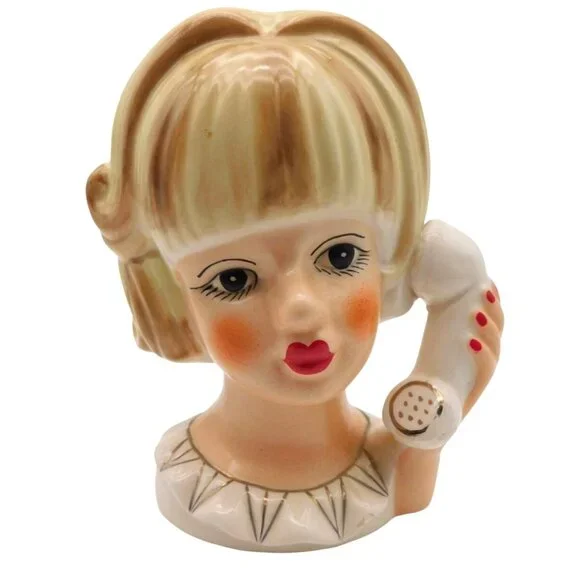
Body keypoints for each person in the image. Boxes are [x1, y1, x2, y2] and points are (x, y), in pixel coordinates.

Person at [86, 7, 503, 551]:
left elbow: (414, 488)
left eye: (339, 257)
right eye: (235, 279)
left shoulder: (393, 470)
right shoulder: (190, 486)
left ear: (394, 262)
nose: (300, 308)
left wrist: (438, 400)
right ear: (173, 291)